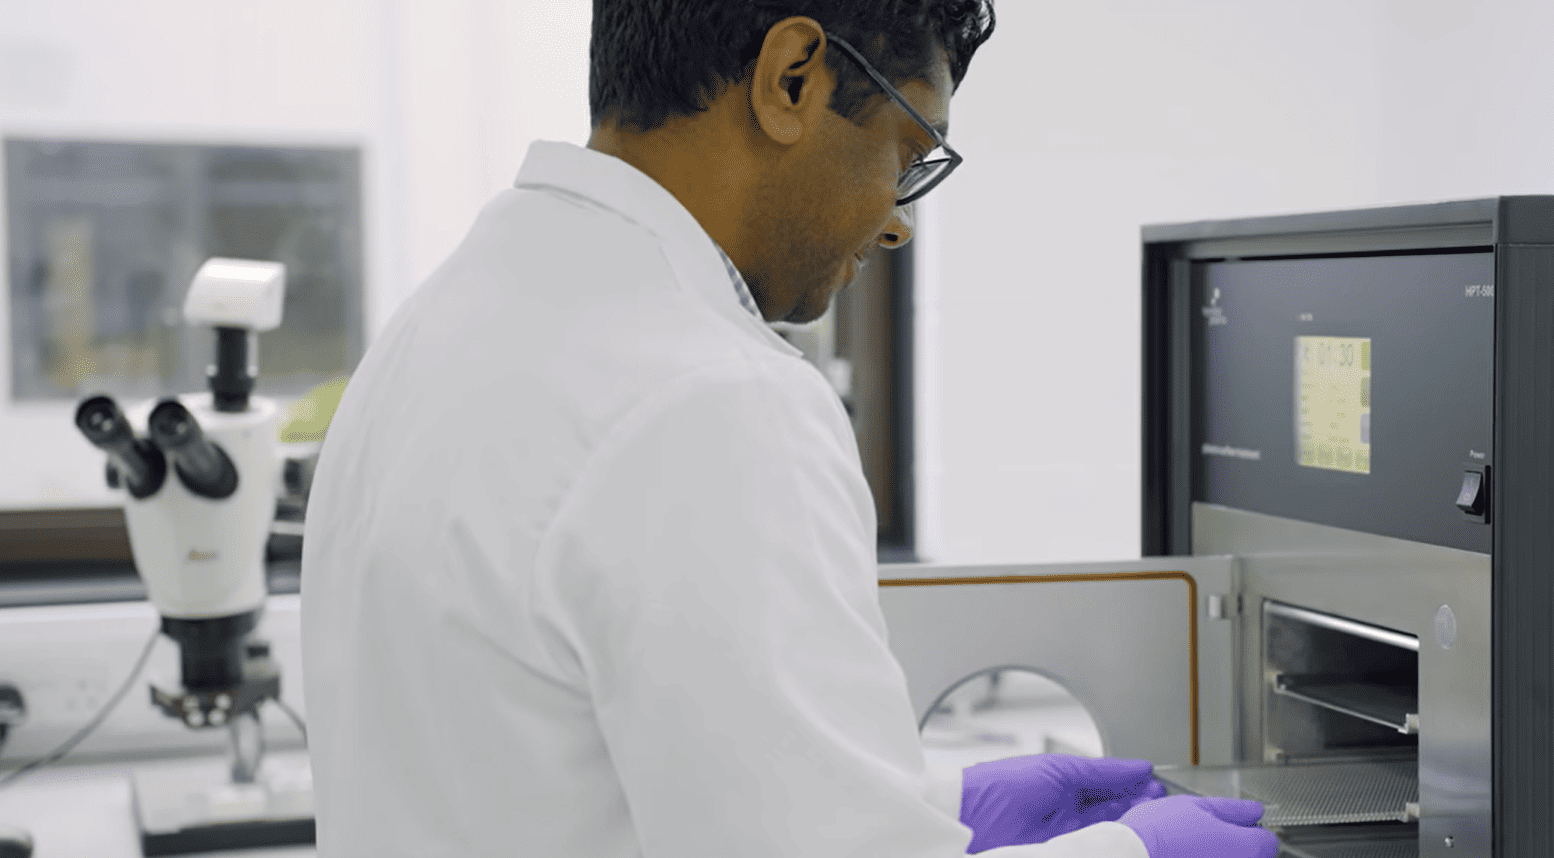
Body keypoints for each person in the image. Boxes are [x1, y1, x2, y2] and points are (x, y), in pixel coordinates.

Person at [299, 2, 1280, 856]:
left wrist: (941, 805)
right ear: (792, 77)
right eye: (906, 151)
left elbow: (588, 764)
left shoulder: (449, 320)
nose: (898, 221)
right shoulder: (712, 395)